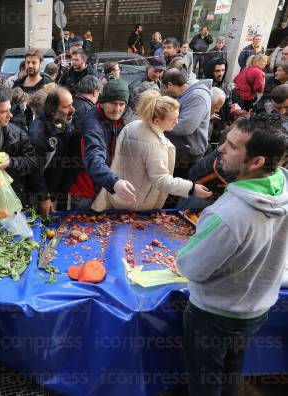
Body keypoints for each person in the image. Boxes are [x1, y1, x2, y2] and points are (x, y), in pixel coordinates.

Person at [177, 113, 288, 396]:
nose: (220, 149)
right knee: (231, 370)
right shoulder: (283, 184)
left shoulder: (225, 216)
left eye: (231, 145)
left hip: (213, 316)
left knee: (205, 380)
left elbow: (191, 268)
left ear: (257, 161)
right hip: (256, 310)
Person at [92, 90, 212, 212]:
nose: (177, 122)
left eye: (177, 117)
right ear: (156, 121)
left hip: (118, 195)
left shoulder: (132, 125)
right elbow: (161, 179)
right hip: (136, 203)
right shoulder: (154, 145)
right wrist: (191, 188)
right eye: (173, 119)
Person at [81, 80, 137, 210]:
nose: (117, 109)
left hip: (110, 182)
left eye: (121, 104)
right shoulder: (92, 122)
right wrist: (114, 182)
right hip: (87, 186)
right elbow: (94, 156)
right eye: (112, 103)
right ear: (102, 102)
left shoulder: (126, 117)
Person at [161, 69, 212, 178]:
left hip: (188, 157)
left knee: (180, 189)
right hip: (182, 152)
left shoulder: (197, 97)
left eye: (165, 88)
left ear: (170, 85)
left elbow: (184, 127)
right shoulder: (186, 94)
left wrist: (158, 123)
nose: (166, 91)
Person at [203, 58, 232, 144]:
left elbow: (228, 106)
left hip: (219, 128)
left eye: (223, 70)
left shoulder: (227, 87)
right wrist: (208, 115)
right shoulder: (203, 87)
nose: (221, 74)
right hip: (204, 126)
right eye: (217, 71)